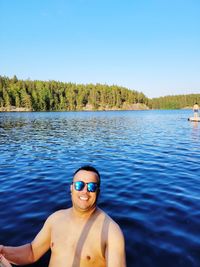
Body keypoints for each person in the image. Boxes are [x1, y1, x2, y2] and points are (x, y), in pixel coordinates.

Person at [0, 165, 126, 267]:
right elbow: (32, 252)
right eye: (79, 185)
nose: (85, 191)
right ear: (71, 188)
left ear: (98, 192)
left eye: (91, 187)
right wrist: (4, 251)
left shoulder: (111, 232)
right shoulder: (55, 219)